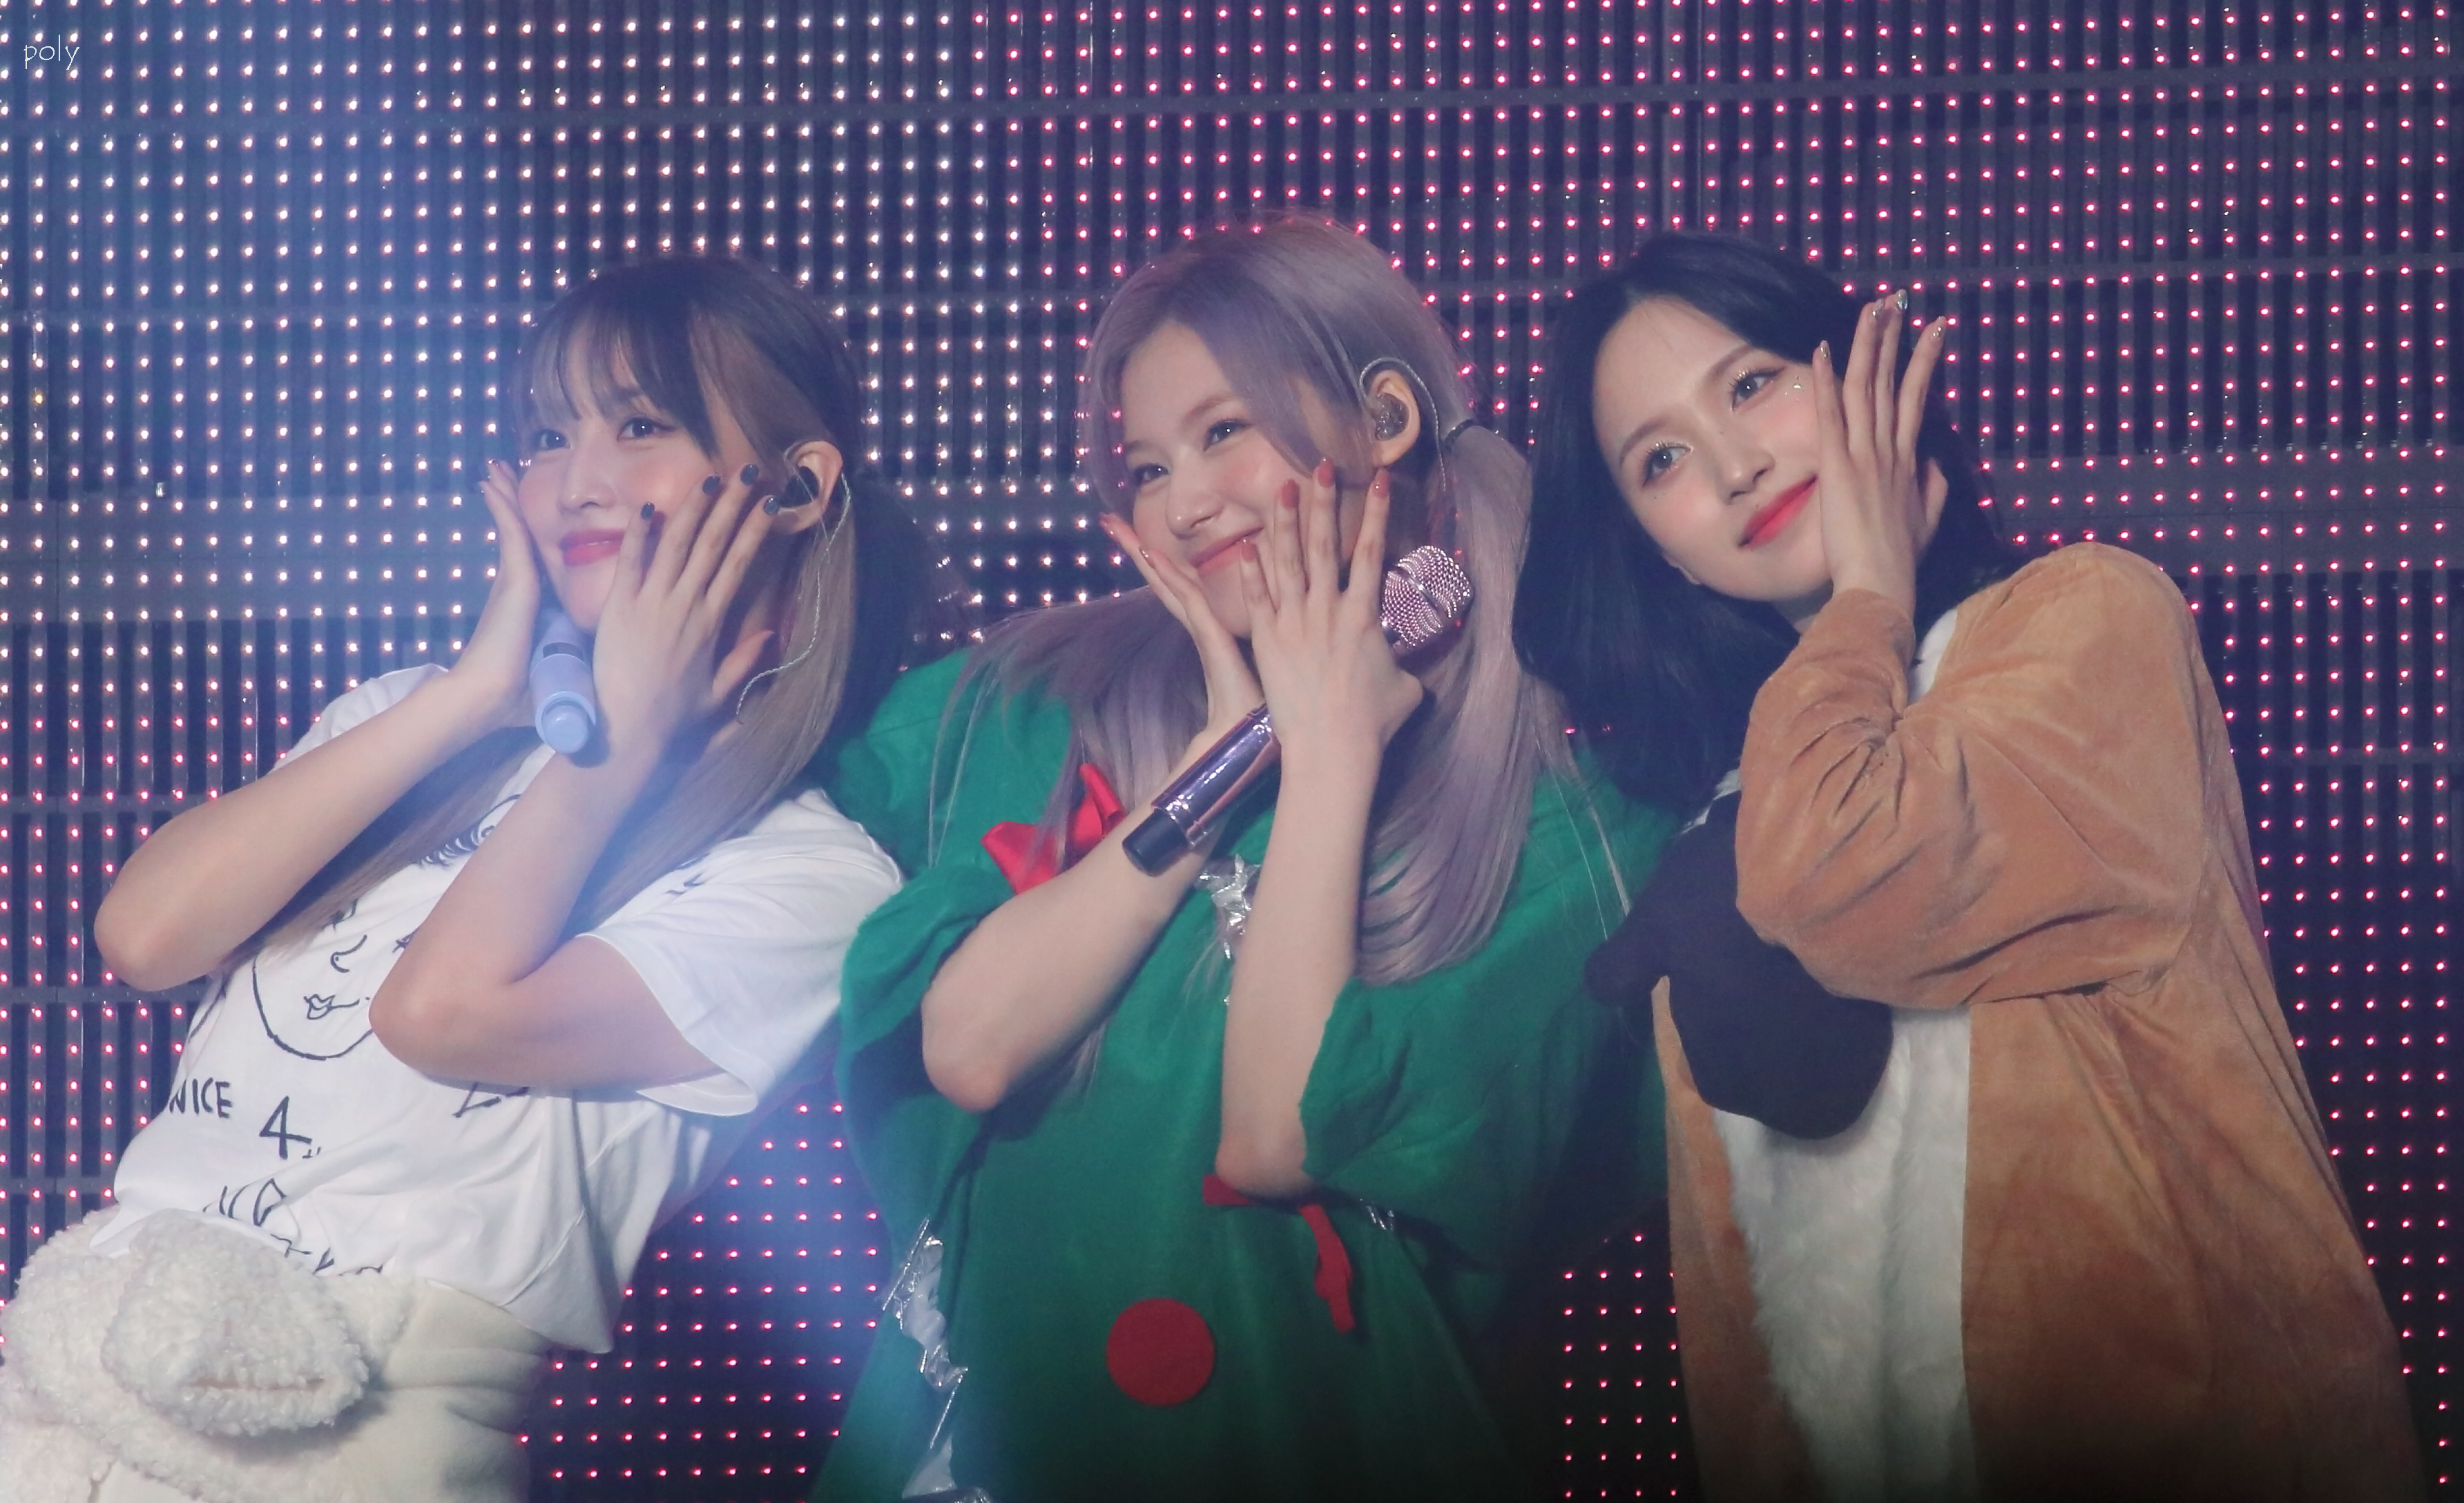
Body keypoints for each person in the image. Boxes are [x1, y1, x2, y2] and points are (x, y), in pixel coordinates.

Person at [1, 256, 942, 1503]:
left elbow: (438, 1014)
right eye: (549, 434)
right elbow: (144, 933)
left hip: (354, 1441)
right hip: (72, 1382)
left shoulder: (813, 882)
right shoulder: (410, 718)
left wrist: (623, 741)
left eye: (640, 425)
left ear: (800, 485)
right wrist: (476, 695)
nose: (577, 479)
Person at [1514, 232, 2423, 1503]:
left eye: (1753, 384)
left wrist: (1869, 594)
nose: (1733, 466)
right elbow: (1737, 1296)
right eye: (1659, 460)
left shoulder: (2088, 619)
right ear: (1655, 545)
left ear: (1862, 374)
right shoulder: (1724, 814)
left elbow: (1847, 876)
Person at [815, 214, 1672, 1503]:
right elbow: (971, 1049)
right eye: (1146, 467)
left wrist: (1328, 759)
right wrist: (1219, 763)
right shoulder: (1044, 704)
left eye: (1224, 432)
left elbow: (1285, 1134)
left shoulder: (1570, 823)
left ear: (1386, 417)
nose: (1183, 503)